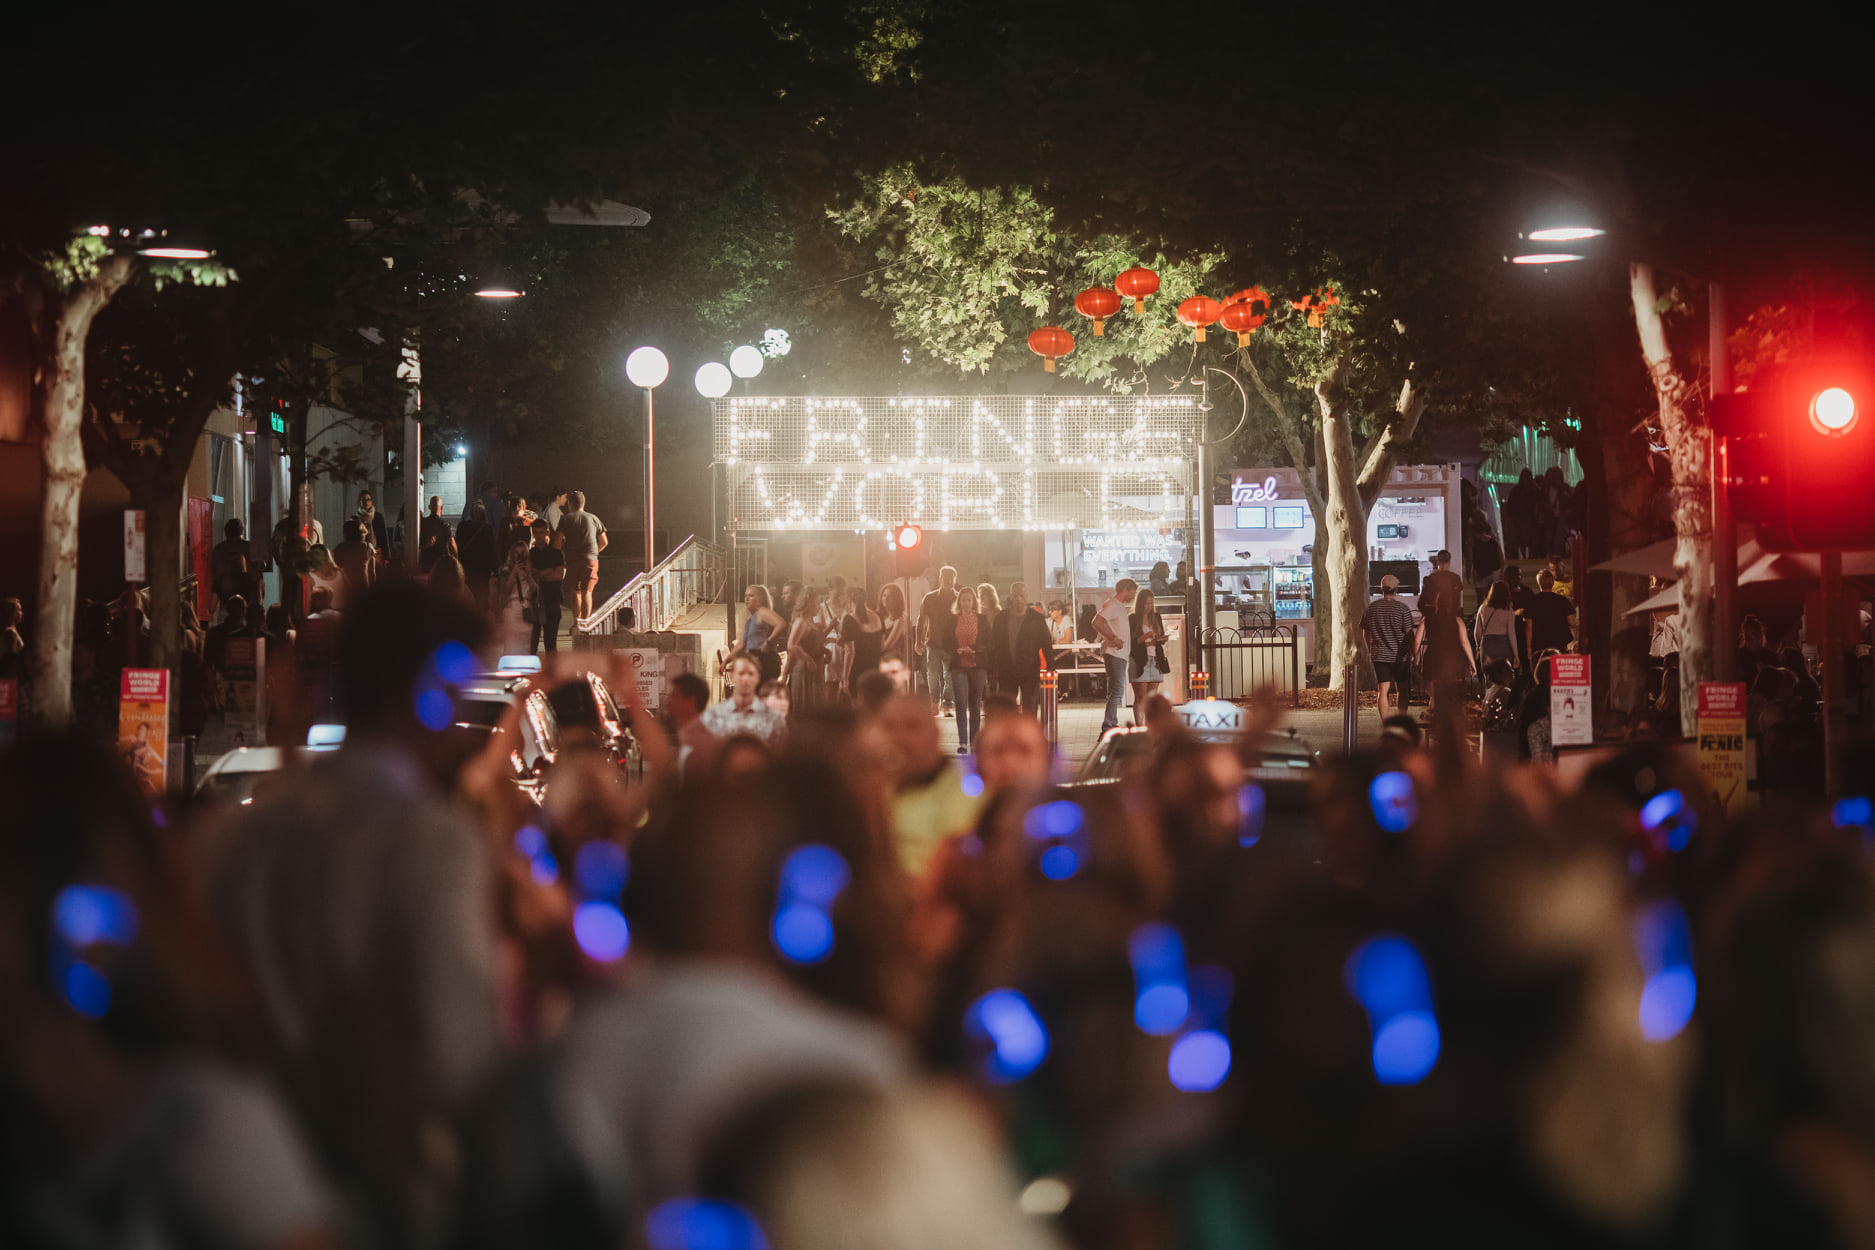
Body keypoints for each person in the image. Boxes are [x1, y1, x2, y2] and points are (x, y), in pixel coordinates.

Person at [205, 583, 502, 1247]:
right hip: (382, 1188)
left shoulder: (238, 839)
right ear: (429, 694)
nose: (460, 722)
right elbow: (456, 1054)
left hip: (246, 1184)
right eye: (458, 693)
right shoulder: (430, 840)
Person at [995, 582, 1056, 716]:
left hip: (1030, 671)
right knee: (1007, 711)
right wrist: (994, 669)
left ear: (1027, 597)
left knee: (1030, 708)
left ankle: (1029, 736)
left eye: (1021, 596)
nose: (1019, 599)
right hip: (1007, 670)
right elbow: (995, 644)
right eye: (1016, 596)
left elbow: (1046, 644)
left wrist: (1051, 667)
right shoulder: (1001, 618)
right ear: (1010, 597)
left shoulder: (1036, 618)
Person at [1361, 573, 1416, 721]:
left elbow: (1365, 632)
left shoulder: (1371, 609)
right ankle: (1402, 719)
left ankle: (1386, 722)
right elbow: (1409, 634)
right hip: (1400, 656)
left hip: (1379, 656)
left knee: (1382, 690)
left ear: (1381, 589)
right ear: (1396, 590)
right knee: (1402, 689)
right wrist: (1415, 653)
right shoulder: (1403, 609)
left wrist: (1370, 649)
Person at [701, 652, 787, 745]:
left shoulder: (772, 718)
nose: (745, 678)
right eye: (741, 673)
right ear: (732, 676)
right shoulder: (714, 715)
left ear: (758, 677)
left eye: (750, 674)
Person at [1415, 586, 1476, 713]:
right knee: (1451, 698)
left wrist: (1415, 657)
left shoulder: (1427, 619)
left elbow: (1417, 640)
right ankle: (1449, 727)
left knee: (1434, 698)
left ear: (1437, 603)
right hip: (1452, 662)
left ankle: (1434, 724)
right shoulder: (1457, 621)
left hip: (1432, 661)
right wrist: (1472, 662)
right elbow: (1464, 642)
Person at [554, 490, 608, 623]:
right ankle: (586, 624)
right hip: (590, 559)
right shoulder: (594, 518)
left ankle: (576, 624)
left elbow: (557, 543)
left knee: (575, 591)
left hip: (572, 559)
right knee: (587, 592)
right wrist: (594, 553)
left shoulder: (566, 519)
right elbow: (604, 542)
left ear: (571, 504)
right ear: (583, 504)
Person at [1093, 578, 1137, 733]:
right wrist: (1112, 638)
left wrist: (1110, 636)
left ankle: (1112, 722)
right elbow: (1096, 622)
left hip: (1118, 653)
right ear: (1126, 589)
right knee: (1117, 690)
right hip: (1115, 653)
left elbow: (1101, 623)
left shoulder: (1117, 606)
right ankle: (1109, 724)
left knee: (1114, 690)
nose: (1134, 595)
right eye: (1133, 591)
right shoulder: (1113, 605)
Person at [950, 586, 987, 755]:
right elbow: (946, 640)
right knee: (961, 702)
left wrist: (974, 649)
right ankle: (963, 742)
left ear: (974, 602)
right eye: (963, 599)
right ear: (959, 602)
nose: (966, 603)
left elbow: (988, 641)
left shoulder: (981, 619)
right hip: (959, 665)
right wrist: (954, 650)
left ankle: (974, 742)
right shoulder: (952, 619)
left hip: (977, 664)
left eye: (969, 599)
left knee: (975, 704)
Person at [917, 565, 958, 715]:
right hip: (933, 642)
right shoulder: (929, 598)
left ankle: (947, 702)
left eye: (951, 577)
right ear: (940, 579)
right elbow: (921, 619)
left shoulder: (958, 598)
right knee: (932, 673)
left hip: (952, 644)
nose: (948, 580)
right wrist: (918, 641)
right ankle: (934, 701)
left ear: (955, 579)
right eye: (945, 577)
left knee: (950, 674)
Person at [491, 530, 539, 654]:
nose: (519, 556)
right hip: (511, 608)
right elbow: (505, 590)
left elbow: (535, 590)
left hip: (527, 609)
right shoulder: (506, 570)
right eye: (517, 553)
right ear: (512, 554)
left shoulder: (532, 570)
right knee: (512, 645)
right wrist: (514, 572)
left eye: (522, 553)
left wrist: (528, 575)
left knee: (526, 645)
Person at [784, 587, 827, 719]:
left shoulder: (811, 622)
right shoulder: (801, 621)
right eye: (816, 603)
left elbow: (812, 644)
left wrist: (825, 651)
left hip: (816, 670)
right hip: (804, 670)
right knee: (805, 708)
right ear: (808, 603)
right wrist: (807, 659)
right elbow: (791, 645)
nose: (818, 607)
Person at [667, 670, 717, 779]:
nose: (668, 701)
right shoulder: (688, 732)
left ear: (691, 701)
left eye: (674, 695)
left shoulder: (699, 739)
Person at [526, 518, 565, 653]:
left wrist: (539, 574)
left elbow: (559, 575)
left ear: (547, 532)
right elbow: (529, 577)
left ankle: (552, 671)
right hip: (535, 602)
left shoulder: (556, 553)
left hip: (552, 601)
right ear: (533, 533)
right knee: (532, 644)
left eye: (541, 532)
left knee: (551, 644)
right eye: (536, 533)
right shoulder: (529, 555)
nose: (539, 536)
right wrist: (549, 571)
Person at [1129, 587, 1169, 717]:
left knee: (1152, 697)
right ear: (1140, 604)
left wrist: (1162, 639)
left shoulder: (1156, 617)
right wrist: (1145, 637)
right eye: (1146, 603)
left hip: (1155, 658)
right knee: (1140, 696)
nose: (1149, 606)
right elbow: (1131, 642)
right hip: (1140, 660)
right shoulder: (1133, 618)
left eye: (1151, 603)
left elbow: (1159, 637)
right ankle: (1140, 726)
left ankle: (1150, 725)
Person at [1473, 580, 1522, 672]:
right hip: (1504, 646)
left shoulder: (1483, 608)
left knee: (1489, 678)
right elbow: (1511, 633)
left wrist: (1478, 646)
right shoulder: (1509, 610)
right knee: (1504, 677)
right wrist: (1516, 654)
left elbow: (1477, 632)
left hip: (1487, 645)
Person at [1527, 569, 1578, 653]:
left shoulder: (1532, 601)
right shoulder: (1562, 600)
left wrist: (1529, 648)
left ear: (1539, 583)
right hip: (1559, 644)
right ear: (1553, 582)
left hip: (1539, 645)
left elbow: (1529, 627)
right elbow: (1572, 622)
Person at [211, 517, 254, 606]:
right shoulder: (249, 547)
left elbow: (215, 574)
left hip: (225, 598)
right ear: (241, 531)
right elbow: (256, 574)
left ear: (226, 532)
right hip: (247, 599)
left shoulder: (218, 549)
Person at [1421, 548, 1464, 618]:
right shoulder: (1456, 578)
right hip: (1452, 616)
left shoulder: (1430, 578)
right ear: (1449, 562)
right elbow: (1457, 600)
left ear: (1437, 562)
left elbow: (1424, 602)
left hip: (1435, 616)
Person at [418, 495, 455, 573]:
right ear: (441, 508)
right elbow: (452, 545)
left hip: (425, 563)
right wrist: (455, 562)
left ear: (429, 507)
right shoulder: (445, 525)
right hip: (440, 565)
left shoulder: (422, 524)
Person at [878, 583, 910, 669]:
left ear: (897, 599)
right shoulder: (880, 617)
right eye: (884, 596)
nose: (886, 599)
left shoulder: (900, 620)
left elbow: (887, 646)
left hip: (892, 662)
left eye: (890, 596)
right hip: (880, 659)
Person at [354, 489, 389, 557]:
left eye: (368, 499)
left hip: (376, 551)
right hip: (360, 552)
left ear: (371, 502)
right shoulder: (355, 518)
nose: (366, 502)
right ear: (360, 502)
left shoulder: (378, 516)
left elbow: (384, 537)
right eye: (364, 500)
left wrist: (386, 556)